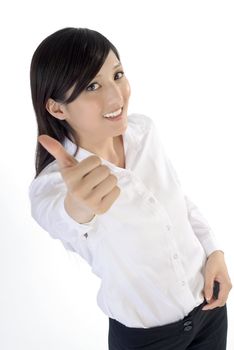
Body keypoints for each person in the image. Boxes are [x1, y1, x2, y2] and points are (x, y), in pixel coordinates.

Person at [28, 27, 232, 350]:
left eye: (117, 75)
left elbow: (177, 201)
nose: (116, 96)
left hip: (209, 310)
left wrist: (214, 251)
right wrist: (80, 206)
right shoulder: (52, 186)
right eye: (92, 86)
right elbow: (61, 217)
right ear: (56, 108)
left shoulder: (144, 130)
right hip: (147, 340)